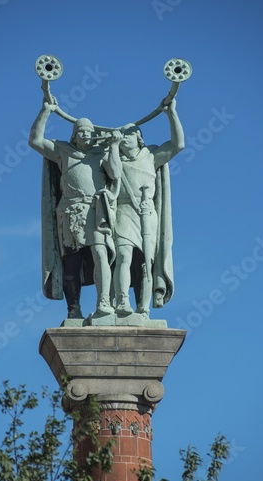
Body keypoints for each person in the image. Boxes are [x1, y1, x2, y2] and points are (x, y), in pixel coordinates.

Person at [29, 99, 122, 319]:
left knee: (101, 253)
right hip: (70, 212)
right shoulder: (63, 150)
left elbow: (116, 174)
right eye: (81, 131)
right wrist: (46, 110)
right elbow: (35, 140)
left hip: (96, 209)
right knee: (72, 261)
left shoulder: (102, 153)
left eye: (89, 131)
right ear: (74, 134)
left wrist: (115, 146)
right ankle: (74, 309)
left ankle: (104, 302)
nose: (86, 135)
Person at [113, 99, 184, 318]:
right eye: (122, 134)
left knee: (145, 264)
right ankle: (122, 301)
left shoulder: (150, 156)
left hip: (147, 215)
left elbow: (177, 144)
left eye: (129, 133)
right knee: (123, 256)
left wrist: (171, 113)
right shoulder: (113, 157)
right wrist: (112, 145)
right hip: (123, 212)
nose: (125, 136)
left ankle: (143, 308)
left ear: (139, 138)